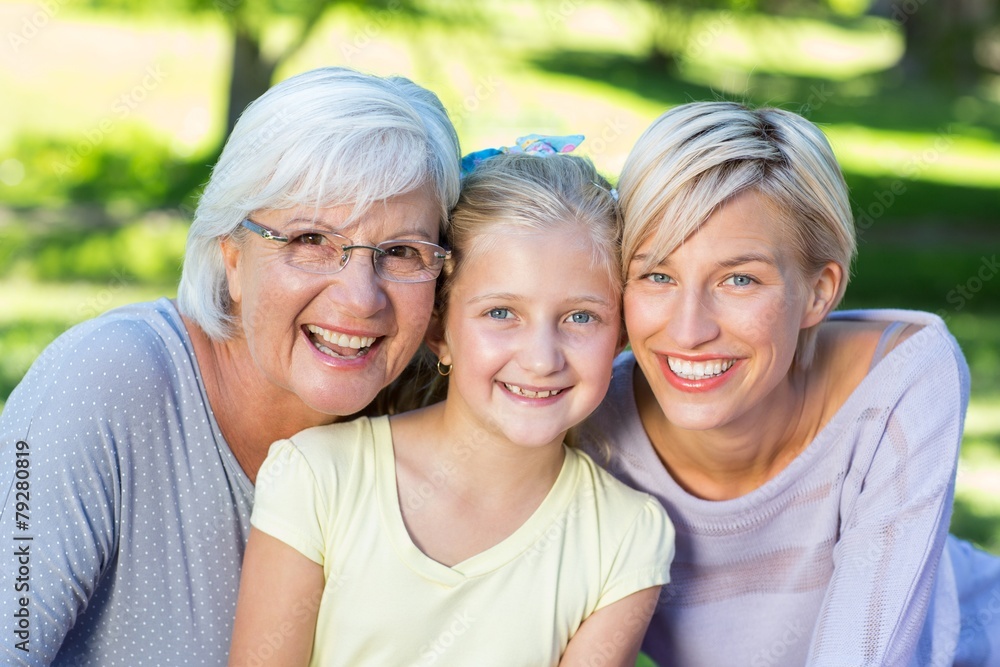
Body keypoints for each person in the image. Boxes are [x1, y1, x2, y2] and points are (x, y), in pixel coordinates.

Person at [0, 66, 461, 666]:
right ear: (233, 257)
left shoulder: (433, 428)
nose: (360, 298)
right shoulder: (106, 380)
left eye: (400, 251)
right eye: (311, 240)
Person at [579, 101, 1000, 666]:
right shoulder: (586, 418)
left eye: (739, 279)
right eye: (658, 275)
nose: (688, 329)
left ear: (820, 291)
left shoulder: (902, 380)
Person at [228, 150, 676, 667]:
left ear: (620, 335)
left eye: (580, 316)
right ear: (440, 331)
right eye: (501, 312)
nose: (540, 358)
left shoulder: (625, 538)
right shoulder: (318, 478)